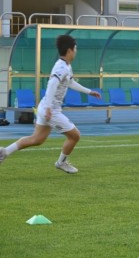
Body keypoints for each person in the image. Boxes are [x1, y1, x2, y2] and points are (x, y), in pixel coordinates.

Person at [0, 35, 102, 174]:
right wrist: (49, 108)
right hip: (51, 110)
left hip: (46, 107)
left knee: (37, 139)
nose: (76, 51)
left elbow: (71, 83)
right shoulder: (61, 67)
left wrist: (89, 92)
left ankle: (5, 152)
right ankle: (61, 162)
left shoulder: (66, 66)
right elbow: (52, 84)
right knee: (75, 136)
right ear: (69, 50)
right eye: (75, 48)